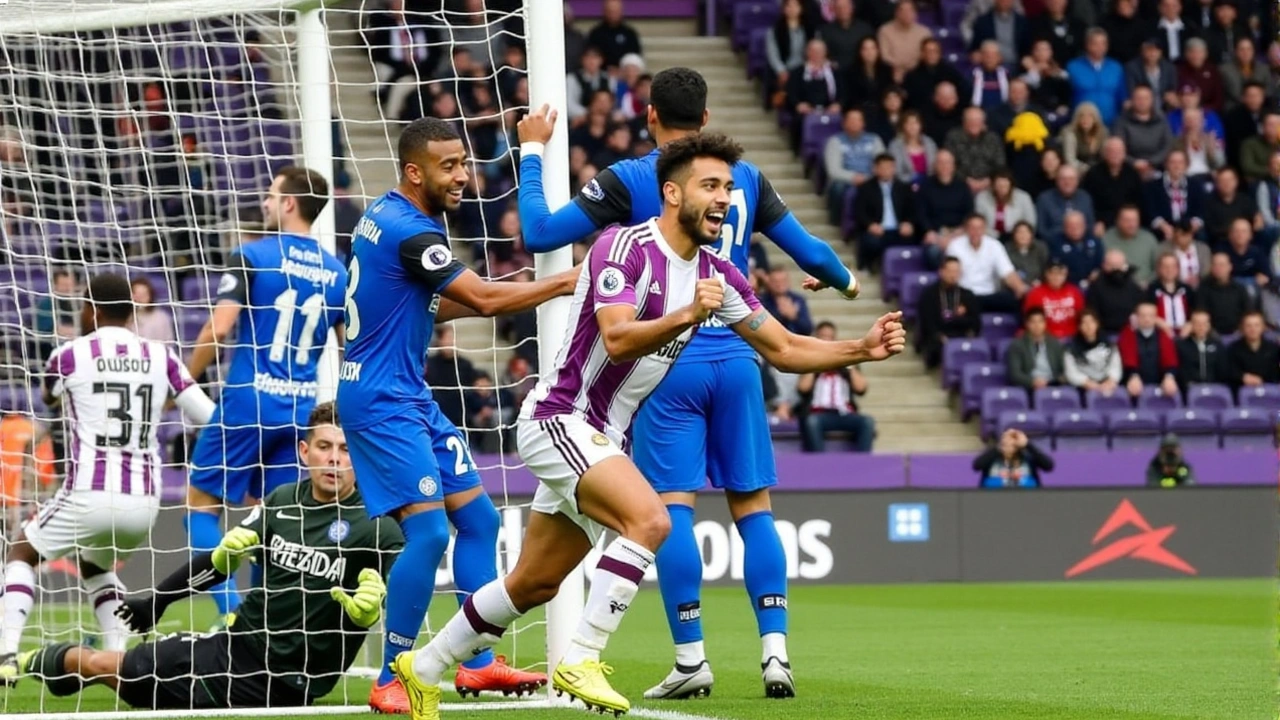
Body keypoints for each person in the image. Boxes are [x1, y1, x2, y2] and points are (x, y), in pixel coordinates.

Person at [389, 133, 906, 719]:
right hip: (559, 419)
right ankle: (582, 657)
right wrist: (688, 313)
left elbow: (784, 348)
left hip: (602, 438)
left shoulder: (718, 274)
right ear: (671, 192)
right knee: (651, 519)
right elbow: (616, 337)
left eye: (730, 189)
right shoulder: (622, 246)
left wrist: (861, 349)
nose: (724, 200)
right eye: (710, 186)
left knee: (533, 583)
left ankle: (422, 669)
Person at [514, 67, 859, 700]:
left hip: (668, 358)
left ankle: (691, 658)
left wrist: (532, 151)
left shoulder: (637, 179)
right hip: (742, 352)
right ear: (705, 122)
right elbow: (809, 251)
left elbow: (538, 233)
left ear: (649, 118)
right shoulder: (743, 179)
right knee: (754, 508)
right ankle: (776, 654)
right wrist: (846, 283)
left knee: (669, 510)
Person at [337, 118, 573, 712]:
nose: (464, 176)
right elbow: (489, 300)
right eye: (450, 166)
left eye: (464, 163)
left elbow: (427, 304)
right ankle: (394, 673)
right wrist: (573, 279)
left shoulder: (383, 216)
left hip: (406, 392)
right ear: (415, 172)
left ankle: (477, 663)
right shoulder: (414, 232)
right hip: (381, 400)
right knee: (429, 531)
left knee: (479, 523)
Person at [18, 403, 402, 709]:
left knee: (118, 672)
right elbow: (220, 563)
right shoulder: (282, 501)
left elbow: (404, 593)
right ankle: (29, 664)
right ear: (305, 451)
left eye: (346, 449)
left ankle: (56, 665)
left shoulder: (377, 523)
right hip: (238, 645)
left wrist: (368, 612)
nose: (335, 459)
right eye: (324, 446)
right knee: (110, 668)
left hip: (286, 679)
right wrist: (157, 601)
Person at [0, 274, 215, 681]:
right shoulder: (162, 355)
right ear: (132, 312)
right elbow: (205, 415)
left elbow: (48, 396)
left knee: (23, 551)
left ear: (91, 310)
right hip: (145, 502)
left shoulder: (68, 355)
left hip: (90, 493)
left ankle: (6, 652)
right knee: (95, 563)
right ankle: (118, 657)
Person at [184, 166, 348, 620]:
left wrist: (183, 382)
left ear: (290, 203)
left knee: (200, 507)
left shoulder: (251, 255)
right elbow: (350, 345)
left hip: (246, 401)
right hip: (300, 410)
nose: (265, 203)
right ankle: (269, 625)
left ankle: (233, 612)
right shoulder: (336, 272)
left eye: (272, 196)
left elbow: (217, 330)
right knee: (275, 524)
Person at [796, 322, 875, 452]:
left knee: (867, 422)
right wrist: (813, 361)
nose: (827, 340)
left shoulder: (845, 362)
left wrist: (849, 363)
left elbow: (861, 389)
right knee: (811, 422)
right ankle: (818, 464)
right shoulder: (808, 361)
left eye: (830, 337)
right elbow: (803, 388)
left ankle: (863, 463)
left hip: (844, 413)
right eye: (823, 336)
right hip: (818, 414)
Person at [917, 256, 981, 368]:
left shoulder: (967, 295)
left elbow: (976, 322)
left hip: (962, 335)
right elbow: (927, 321)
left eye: (956, 271)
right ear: (941, 272)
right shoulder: (929, 294)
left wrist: (960, 320)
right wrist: (939, 336)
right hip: (939, 336)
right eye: (950, 271)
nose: (953, 275)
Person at [1119, 302, 1181, 399]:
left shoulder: (1164, 337)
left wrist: (1169, 376)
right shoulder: (1128, 337)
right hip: (1135, 386)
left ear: (1156, 318)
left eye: (1151, 316)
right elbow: (1127, 363)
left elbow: (1171, 363)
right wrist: (1133, 375)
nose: (1147, 319)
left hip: (1161, 384)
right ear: (1137, 317)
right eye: (1143, 316)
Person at [1063, 309, 1123, 394]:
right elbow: (1072, 373)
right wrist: (1090, 384)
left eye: (1091, 322)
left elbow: (1115, 367)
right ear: (1079, 326)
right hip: (1083, 389)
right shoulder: (1071, 349)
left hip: (1108, 385)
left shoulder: (1109, 344)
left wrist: (1111, 381)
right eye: (1084, 323)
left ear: (1097, 324)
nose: (1088, 326)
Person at [1006, 307, 1066, 390]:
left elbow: (1063, 368)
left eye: (1040, 321)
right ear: (1027, 324)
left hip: (1053, 384)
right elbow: (1014, 374)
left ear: (1045, 323)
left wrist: (1057, 379)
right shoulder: (1017, 345)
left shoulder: (1054, 343)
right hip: (1030, 386)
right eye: (1033, 322)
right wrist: (1032, 381)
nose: (1037, 325)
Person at [974, 428, 1054, 488]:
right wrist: (998, 448)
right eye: (1005, 442)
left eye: (1013, 443)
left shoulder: (1028, 457)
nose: (1009, 445)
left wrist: (1028, 445)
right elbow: (976, 466)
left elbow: (1049, 466)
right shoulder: (992, 457)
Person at [1226, 311, 1280, 389]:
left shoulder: (1273, 348)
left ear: (1263, 327)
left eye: (1256, 325)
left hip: (1269, 391)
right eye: (1248, 325)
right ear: (1242, 328)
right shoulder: (1233, 349)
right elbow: (1228, 371)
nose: (1253, 329)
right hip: (1241, 392)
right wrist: (1242, 377)